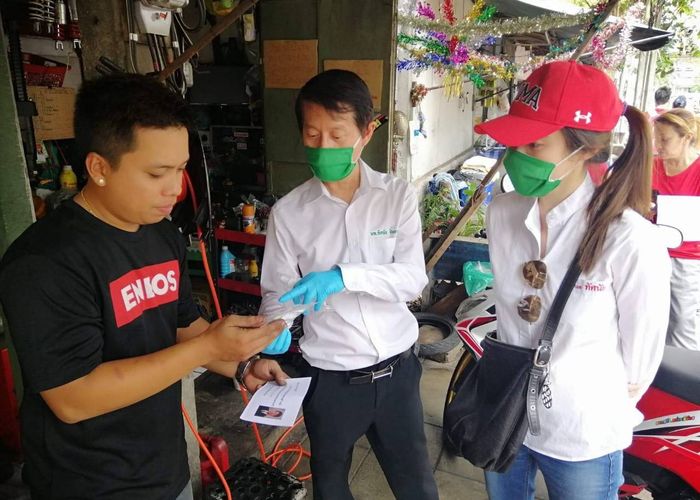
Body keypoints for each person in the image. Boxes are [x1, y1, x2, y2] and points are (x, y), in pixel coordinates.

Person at [0, 74, 289, 500]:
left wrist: (242, 366)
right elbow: (73, 397)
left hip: (164, 468)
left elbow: (182, 324)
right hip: (87, 483)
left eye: (180, 169)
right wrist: (209, 349)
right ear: (99, 167)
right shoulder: (44, 262)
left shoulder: (161, 234)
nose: (175, 188)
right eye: (157, 173)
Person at [474, 61, 670, 499]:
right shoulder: (503, 213)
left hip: (582, 432)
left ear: (583, 150)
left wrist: (580, 397)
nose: (518, 156)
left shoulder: (628, 238)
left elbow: (639, 363)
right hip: (505, 414)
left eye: (535, 145)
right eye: (514, 142)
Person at [258, 69, 438, 500]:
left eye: (337, 135)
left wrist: (344, 276)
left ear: (367, 131)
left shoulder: (396, 196)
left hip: (398, 372)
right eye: (313, 134)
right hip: (332, 382)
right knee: (332, 488)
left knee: (417, 486)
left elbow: (412, 278)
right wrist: (277, 327)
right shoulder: (289, 213)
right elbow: (278, 296)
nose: (324, 147)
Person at [653, 108, 700, 350]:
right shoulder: (651, 167)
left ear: (687, 137)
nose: (658, 145)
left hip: (687, 258)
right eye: (656, 138)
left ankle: (681, 381)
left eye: (665, 139)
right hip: (651, 252)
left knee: (681, 322)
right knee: (649, 318)